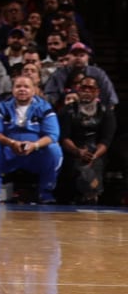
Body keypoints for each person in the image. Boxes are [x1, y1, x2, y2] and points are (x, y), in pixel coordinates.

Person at [0, 73, 62, 204]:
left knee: (54, 149)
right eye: (18, 86)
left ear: (33, 90)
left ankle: (45, 191)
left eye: (26, 87)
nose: (22, 89)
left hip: (35, 154)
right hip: (9, 152)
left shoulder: (44, 107)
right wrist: (11, 143)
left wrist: (34, 145)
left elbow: (53, 135)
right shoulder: (2, 106)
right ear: (12, 89)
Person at [56, 74, 114, 204]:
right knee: (77, 164)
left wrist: (94, 155)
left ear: (97, 92)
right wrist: (78, 151)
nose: (87, 91)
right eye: (83, 88)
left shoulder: (106, 112)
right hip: (72, 149)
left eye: (91, 88)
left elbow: (106, 140)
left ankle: (90, 195)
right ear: (78, 89)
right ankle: (89, 195)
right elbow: (64, 137)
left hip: (97, 151)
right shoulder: (67, 110)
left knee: (95, 164)